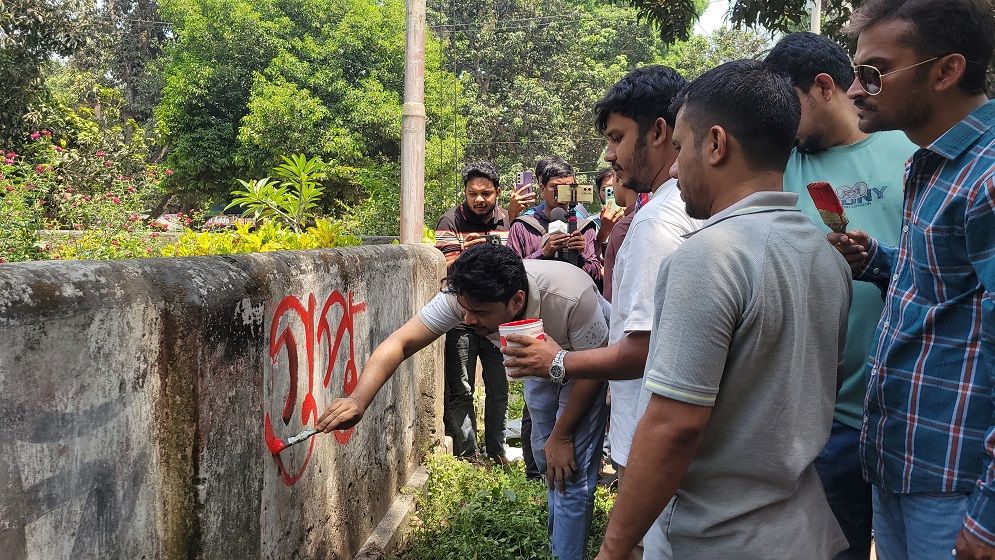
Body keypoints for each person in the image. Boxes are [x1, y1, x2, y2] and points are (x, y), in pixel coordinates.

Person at [590, 59, 850, 559]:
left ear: (715, 144)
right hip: (802, 528)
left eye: (681, 148)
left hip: (717, 536)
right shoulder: (825, 257)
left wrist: (614, 546)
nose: (674, 168)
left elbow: (674, 426)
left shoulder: (707, 257)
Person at [503, 64, 701, 559]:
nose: (609, 155)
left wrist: (557, 361)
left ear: (659, 131)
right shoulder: (688, 211)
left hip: (650, 432)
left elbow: (640, 349)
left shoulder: (655, 225)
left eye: (617, 138)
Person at [316, 244, 609, 560]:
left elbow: (595, 372)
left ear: (517, 301)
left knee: (570, 467)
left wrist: (563, 436)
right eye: (464, 309)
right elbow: (401, 342)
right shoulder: (466, 297)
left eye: (480, 313)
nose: (468, 319)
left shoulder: (571, 297)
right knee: (544, 454)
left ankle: (567, 549)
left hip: (584, 361)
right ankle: (560, 534)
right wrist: (358, 399)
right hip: (538, 360)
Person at [831, 1, 995, 557]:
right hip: (903, 462)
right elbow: (948, 290)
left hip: (958, 483)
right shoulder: (929, 164)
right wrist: (877, 261)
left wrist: (990, 511)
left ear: (946, 71)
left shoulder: (988, 176)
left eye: (874, 73)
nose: (856, 90)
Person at [764, 32, 918, 560]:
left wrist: (876, 261)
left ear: (824, 87)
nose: (781, 122)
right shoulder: (783, 167)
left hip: (906, 407)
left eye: (789, 105)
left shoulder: (909, 148)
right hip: (825, 417)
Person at [433, 161, 511, 462]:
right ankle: (467, 455)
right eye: (472, 193)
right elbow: (442, 268)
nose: (479, 199)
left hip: (497, 319)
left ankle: (497, 451)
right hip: (460, 316)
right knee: (461, 388)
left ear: (497, 192)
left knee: (499, 387)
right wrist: (466, 253)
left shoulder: (508, 220)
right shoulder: (450, 221)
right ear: (464, 193)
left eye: (486, 193)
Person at [506, 158, 603, 284]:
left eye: (567, 188)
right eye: (554, 187)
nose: (560, 194)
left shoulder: (585, 228)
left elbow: (596, 276)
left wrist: (580, 256)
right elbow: (509, 272)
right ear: (542, 189)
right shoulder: (522, 227)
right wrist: (542, 253)